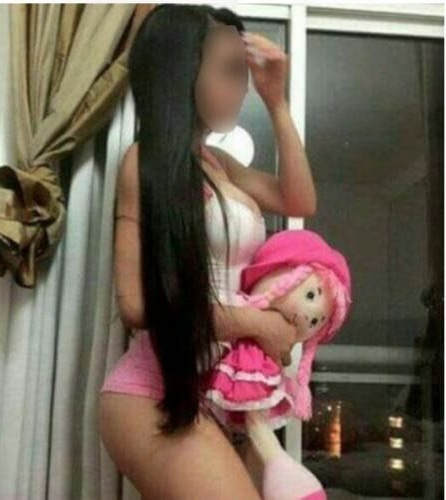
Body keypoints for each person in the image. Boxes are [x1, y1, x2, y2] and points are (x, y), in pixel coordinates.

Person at [98, 4, 312, 499]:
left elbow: (300, 199)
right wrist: (255, 323)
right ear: (183, 71)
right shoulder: (145, 162)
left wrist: (277, 103)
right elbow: (135, 305)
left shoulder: (220, 164)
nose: (243, 86)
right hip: (153, 390)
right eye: (230, 71)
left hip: (223, 391)